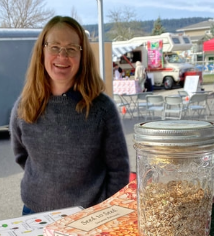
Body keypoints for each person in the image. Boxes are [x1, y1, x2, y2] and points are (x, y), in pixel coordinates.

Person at [10, 16, 130, 216]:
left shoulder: (102, 109)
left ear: (83, 55)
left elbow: (119, 169)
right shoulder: (24, 106)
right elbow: (21, 155)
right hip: (34, 214)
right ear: (42, 51)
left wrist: (104, 211)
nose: (62, 56)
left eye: (71, 48)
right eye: (54, 47)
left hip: (89, 217)